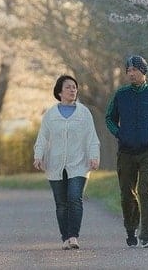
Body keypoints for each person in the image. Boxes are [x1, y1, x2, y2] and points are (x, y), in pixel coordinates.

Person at [104, 55, 148, 248]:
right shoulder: (121, 95)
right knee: (127, 192)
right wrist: (119, 134)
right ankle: (131, 228)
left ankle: (147, 235)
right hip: (126, 151)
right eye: (128, 70)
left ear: (144, 71)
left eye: (135, 70)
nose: (131, 73)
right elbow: (109, 118)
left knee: (146, 190)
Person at [33, 75, 101, 250]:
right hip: (55, 164)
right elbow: (42, 138)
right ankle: (65, 237)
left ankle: (73, 237)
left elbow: (92, 137)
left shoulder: (84, 112)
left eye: (74, 87)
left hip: (79, 163)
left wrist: (94, 156)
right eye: (69, 87)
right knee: (61, 203)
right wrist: (38, 156)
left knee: (74, 198)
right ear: (59, 91)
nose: (73, 90)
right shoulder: (51, 114)